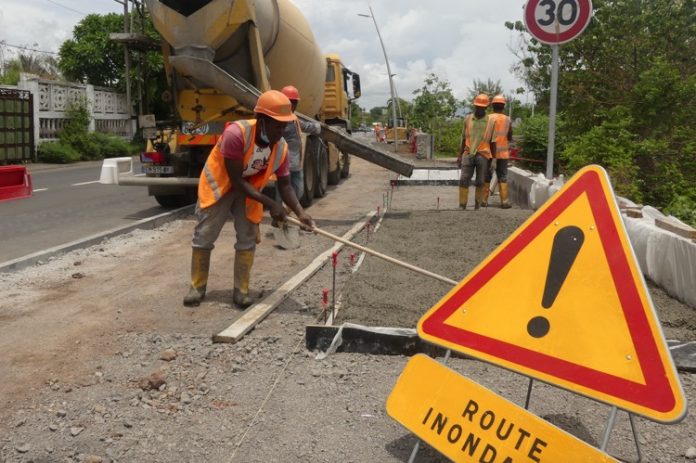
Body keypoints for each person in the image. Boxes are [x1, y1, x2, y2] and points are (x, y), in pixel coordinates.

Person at [183, 90, 314, 308]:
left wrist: (301, 213)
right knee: (205, 235)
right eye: (277, 125)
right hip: (222, 185)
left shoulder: (280, 147)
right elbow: (235, 180)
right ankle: (197, 287)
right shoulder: (237, 134)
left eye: (285, 126)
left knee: (247, 236)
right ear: (262, 120)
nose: (281, 131)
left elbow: (285, 185)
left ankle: (241, 291)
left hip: (249, 189)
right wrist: (272, 204)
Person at [279, 85, 321, 202]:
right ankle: (282, 216)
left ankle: (285, 215)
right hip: (284, 164)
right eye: (289, 102)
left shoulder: (293, 117)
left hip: (295, 163)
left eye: (294, 102)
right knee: (287, 194)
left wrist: (316, 127)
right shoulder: (281, 119)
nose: (292, 105)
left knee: (297, 193)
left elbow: (305, 126)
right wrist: (317, 126)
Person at [457, 94, 495, 210]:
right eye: (477, 106)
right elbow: (463, 138)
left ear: (486, 107)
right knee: (464, 179)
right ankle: (462, 204)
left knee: (480, 181)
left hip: (483, 154)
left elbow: (493, 141)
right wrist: (459, 155)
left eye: (481, 107)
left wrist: (493, 159)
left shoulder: (491, 121)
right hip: (468, 153)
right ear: (474, 106)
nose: (479, 109)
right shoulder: (468, 119)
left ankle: (477, 205)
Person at [484, 94, 513, 209]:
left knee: (487, 176)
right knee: (503, 176)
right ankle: (504, 202)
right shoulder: (508, 119)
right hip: (503, 154)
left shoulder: (488, 118)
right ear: (503, 106)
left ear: (493, 105)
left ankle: (483, 200)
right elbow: (510, 136)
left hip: (489, 153)